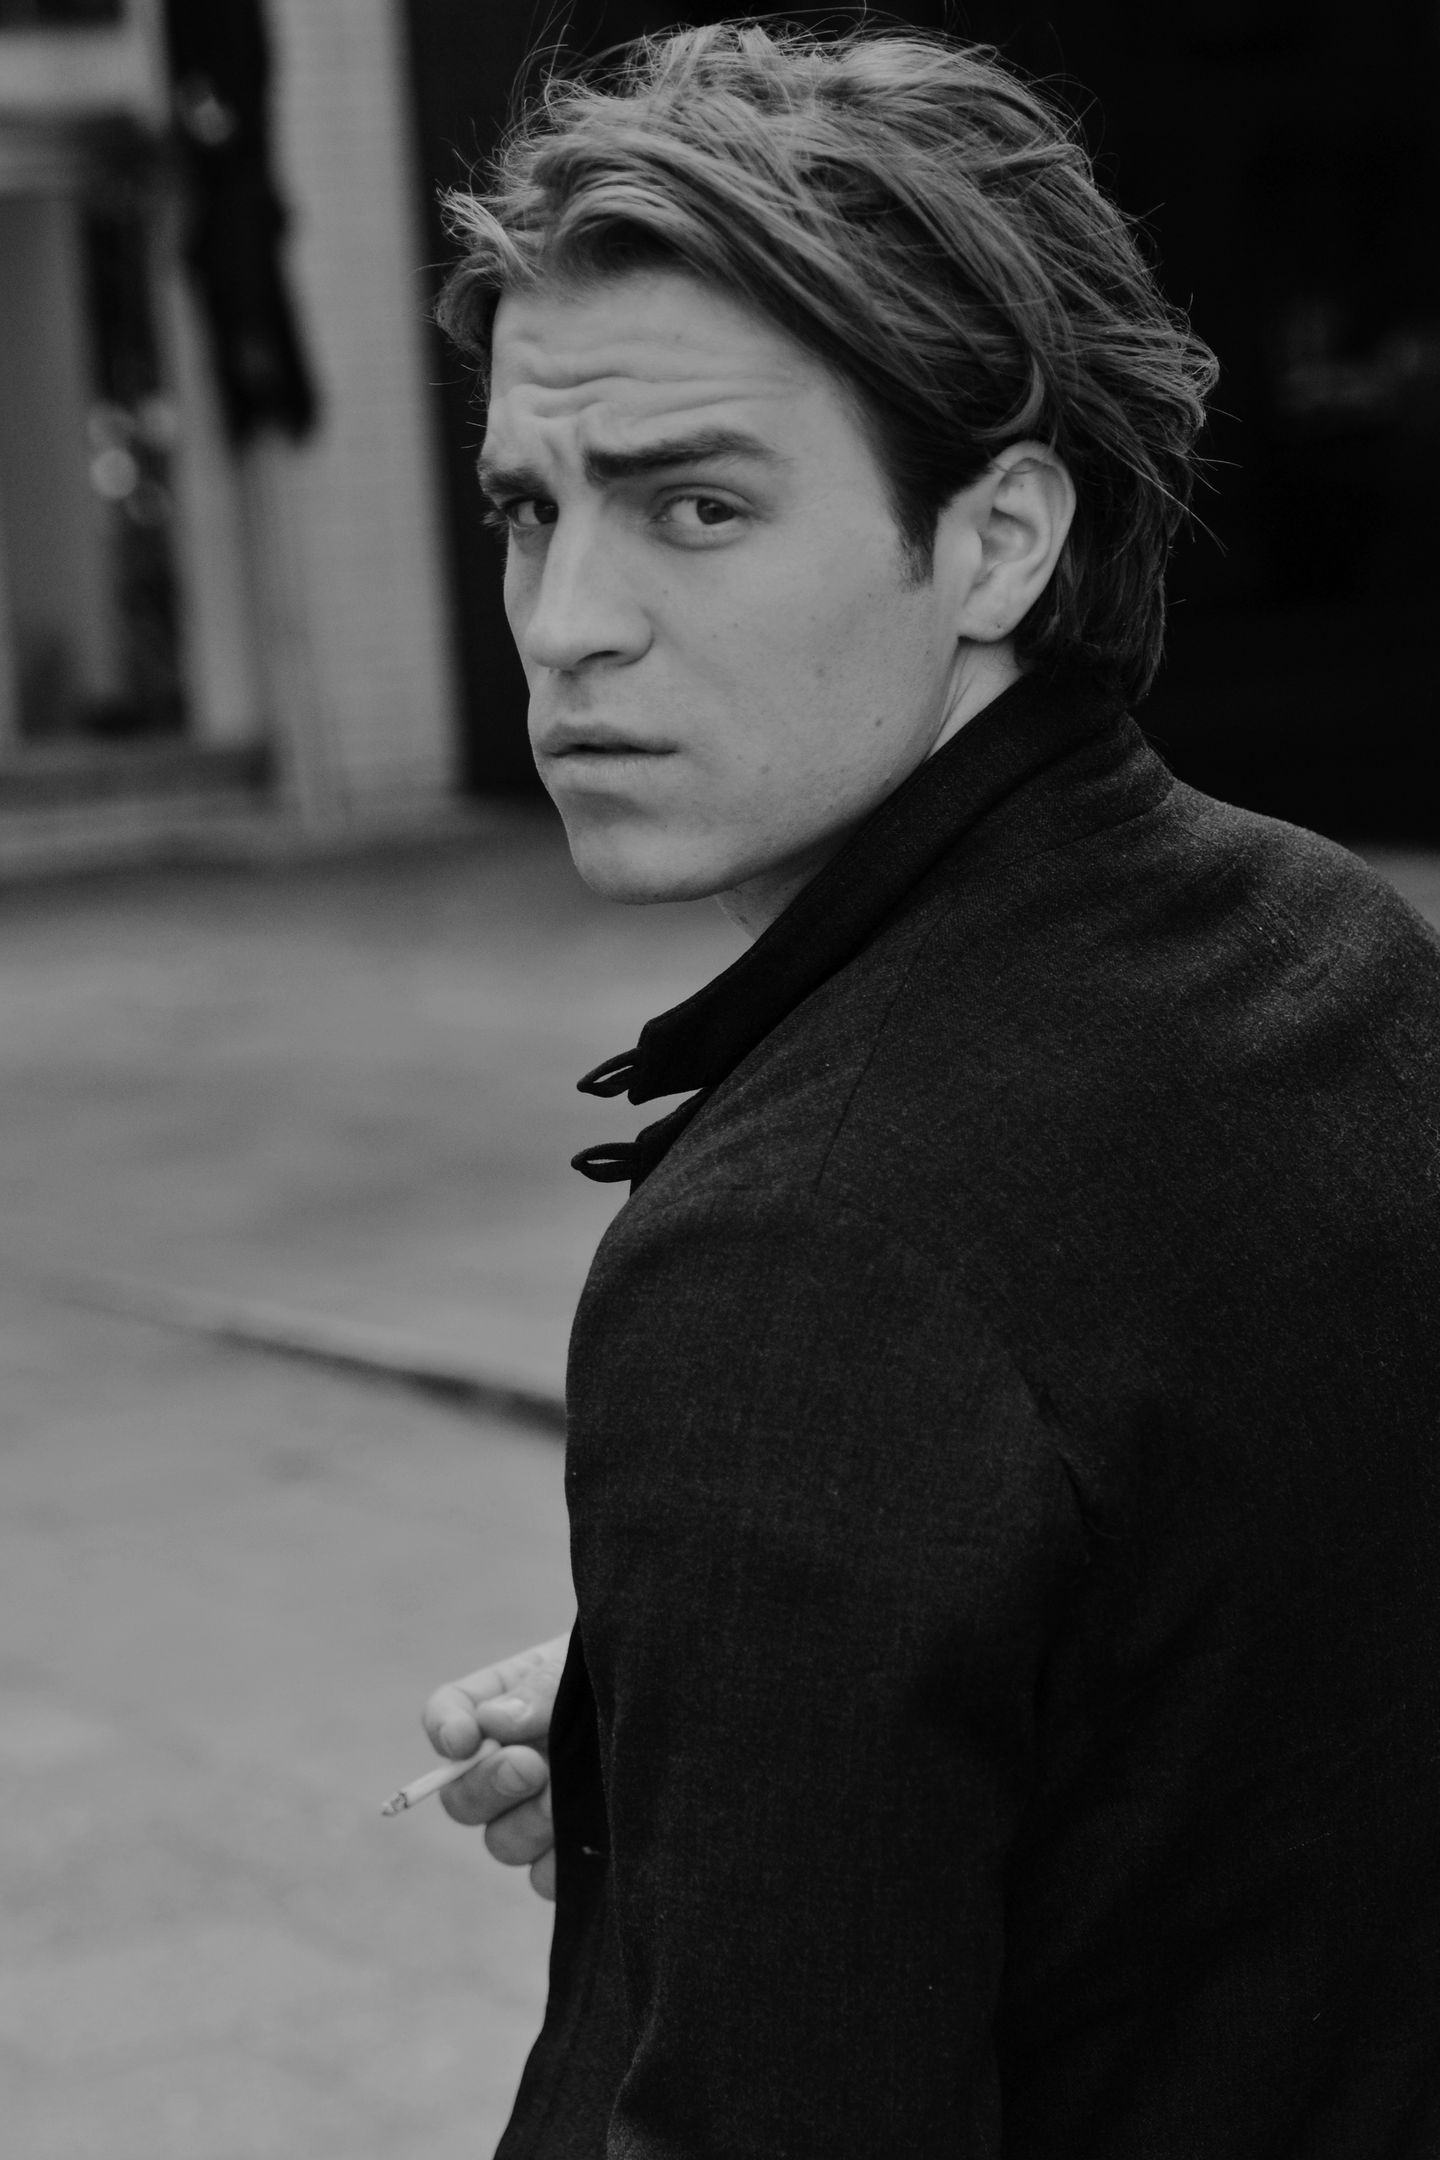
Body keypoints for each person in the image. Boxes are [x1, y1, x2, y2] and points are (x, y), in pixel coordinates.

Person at [417, 22, 1440, 2155]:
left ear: (997, 542)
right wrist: (738, 1669)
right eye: (529, 509)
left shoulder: (800, 1259)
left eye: (695, 505)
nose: (566, 622)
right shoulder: (1335, 941)